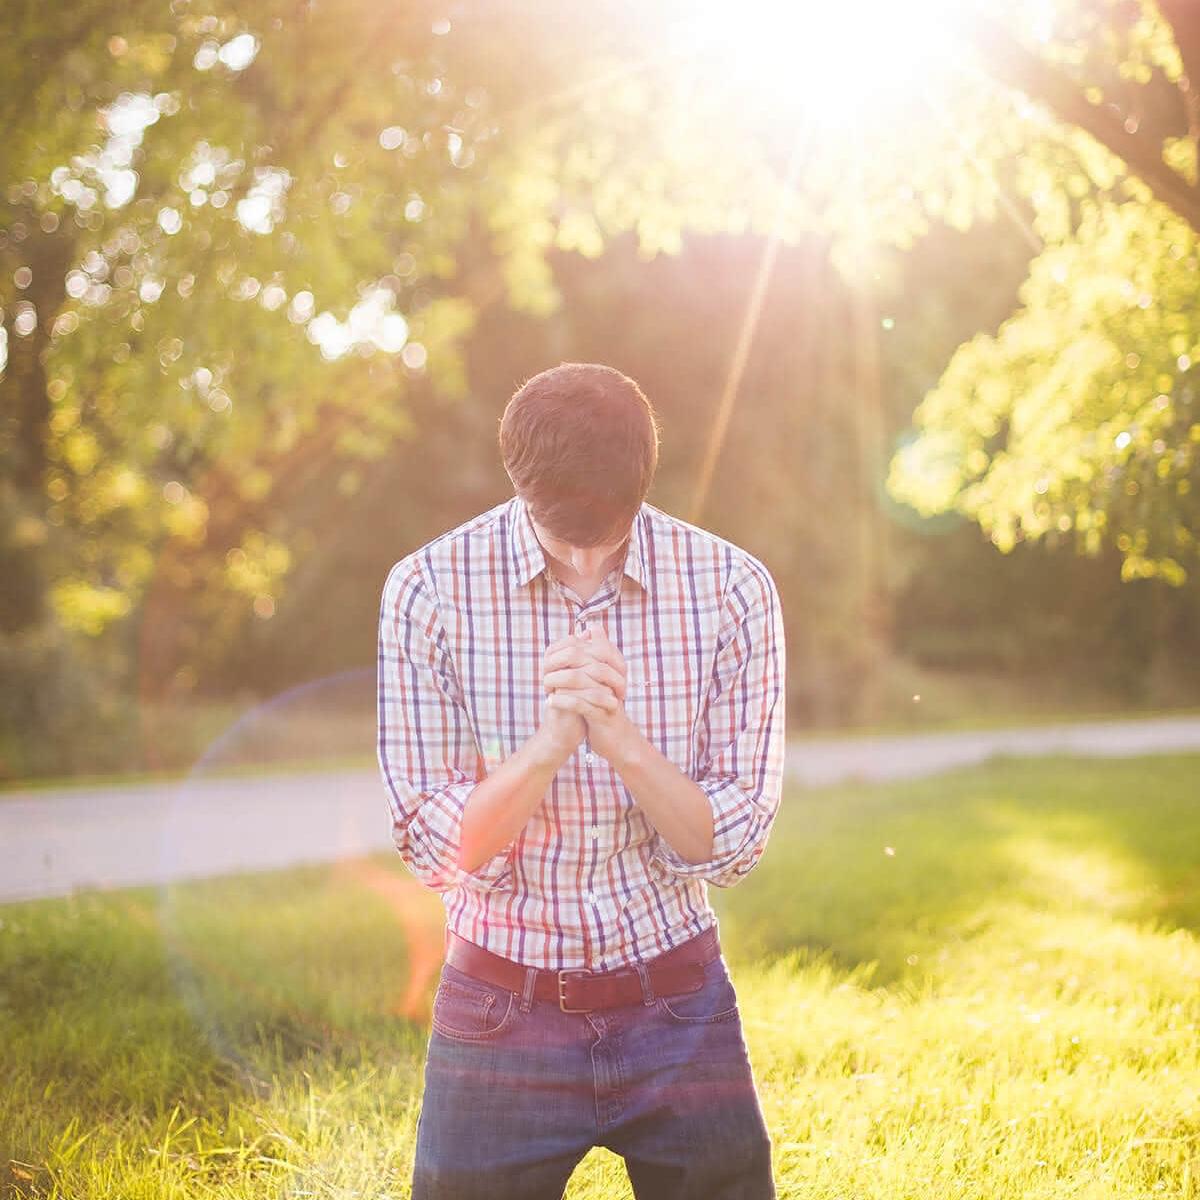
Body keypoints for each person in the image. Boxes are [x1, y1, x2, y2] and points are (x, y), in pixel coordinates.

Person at [376, 362, 786, 1199]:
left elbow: (733, 844)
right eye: (562, 529)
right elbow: (433, 848)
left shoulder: (733, 589)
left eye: (609, 528)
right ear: (518, 479)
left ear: (645, 478)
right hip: (499, 1007)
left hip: (678, 1001)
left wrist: (623, 742)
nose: (586, 552)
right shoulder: (429, 590)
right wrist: (550, 746)